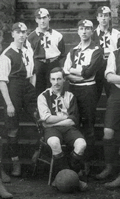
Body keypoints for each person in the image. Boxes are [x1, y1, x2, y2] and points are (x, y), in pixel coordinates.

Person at [63, 19, 103, 174]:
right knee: (73, 123)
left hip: (88, 91)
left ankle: (85, 162)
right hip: (73, 90)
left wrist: (76, 72)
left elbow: (89, 73)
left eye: (87, 28)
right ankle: (74, 162)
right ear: (78, 31)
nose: (84, 31)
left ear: (92, 31)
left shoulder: (96, 50)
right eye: (81, 28)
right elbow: (66, 72)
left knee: (88, 127)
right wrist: (79, 74)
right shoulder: (73, 51)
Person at [0, 22, 37, 178]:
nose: (22, 35)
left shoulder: (28, 50)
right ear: (13, 34)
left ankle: (40, 152)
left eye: (24, 32)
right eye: (18, 32)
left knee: (39, 115)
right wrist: (9, 103)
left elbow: (33, 72)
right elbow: (2, 82)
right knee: (12, 127)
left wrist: (32, 89)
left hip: (27, 87)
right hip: (13, 88)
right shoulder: (6, 54)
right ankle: (16, 162)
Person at [37, 67, 87, 180]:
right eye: (53, 79)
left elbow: (73, 120)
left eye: (59, 79)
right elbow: (46, 118)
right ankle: (66, 176)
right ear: (50, 80)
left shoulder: (70, 96)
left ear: (64, 79)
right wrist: (65, 117)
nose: (56, 82)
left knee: (81, 144)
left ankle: (68, 173)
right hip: (52, 130)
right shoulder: (43, 96)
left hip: (68, 129)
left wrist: (52, 122)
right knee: (54, 143)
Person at [95, 47, 120, 188]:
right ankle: (109, 167)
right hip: (117, 93)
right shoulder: (114, 54)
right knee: (108, 132)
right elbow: (110, 77)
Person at [28, 8, 65, 97]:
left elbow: (62, 53)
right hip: (38, 65)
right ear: (36, 20)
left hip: (53, 64)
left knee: (55, 89)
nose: (42, 21)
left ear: (49, 18)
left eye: (44, 18)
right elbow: (29, 54)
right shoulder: (31, 37)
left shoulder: (58, 35)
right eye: (39, 18)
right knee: (39, 90)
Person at [92, 6, 120, 100]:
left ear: (110, 17)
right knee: (95, 95)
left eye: (106, 15)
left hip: (112, 65)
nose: (103, 18)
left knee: (112, 95)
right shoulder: (92, 34)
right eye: (101, 15)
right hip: (98, 65)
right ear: (97, 18)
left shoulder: (117, 34)